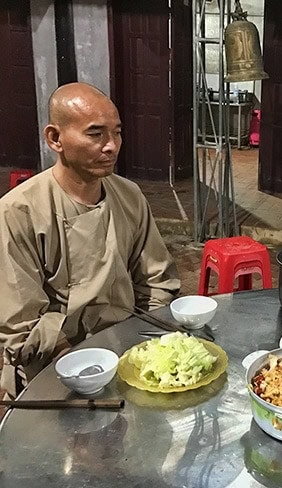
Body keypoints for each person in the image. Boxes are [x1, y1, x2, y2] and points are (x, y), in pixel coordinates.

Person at [0, 82, 180, 398]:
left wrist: (143, 351)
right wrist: (86, 372)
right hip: (50, 368)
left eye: (117, 133)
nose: (111, 146)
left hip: (125, 347)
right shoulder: (17, 212)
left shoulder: (129, 196)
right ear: (55, 139)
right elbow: (21, 322)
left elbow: (156, 281)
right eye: (95, 135)